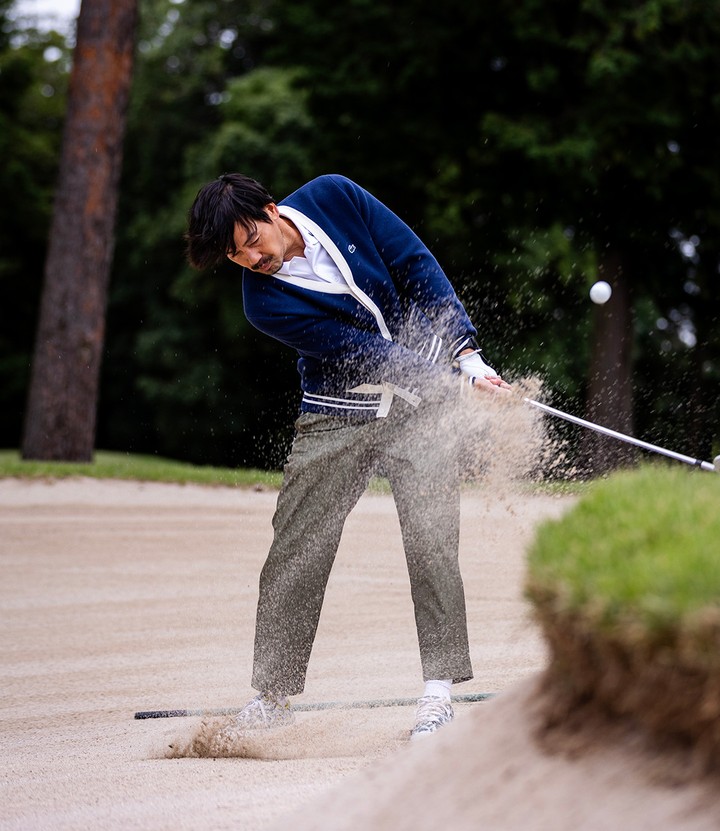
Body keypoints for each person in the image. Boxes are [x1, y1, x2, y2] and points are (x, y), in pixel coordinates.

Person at [185, 173, 511, 741]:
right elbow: (361, 352)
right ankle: (274, 697)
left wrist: (466, 355)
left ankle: (437, 695)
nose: (252, 260)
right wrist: (442, 381)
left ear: (271, 209)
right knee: (296, 544)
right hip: (337, 412)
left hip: (420, 408)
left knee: (432, 538)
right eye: (236, 258)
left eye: (252, 241)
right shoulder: (263, 304)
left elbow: (414, 263)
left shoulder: (335, 197)